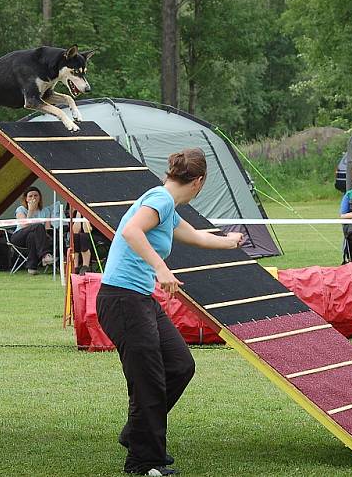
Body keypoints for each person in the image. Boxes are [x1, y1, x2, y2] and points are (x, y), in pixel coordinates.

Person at [96, 148, 244, 476]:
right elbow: (131, 231)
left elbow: (195, 237)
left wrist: (230, 242)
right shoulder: (160, 199)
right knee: (148, 380)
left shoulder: (168, 206)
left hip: (138, 300)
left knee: (179, 365)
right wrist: (162, 269)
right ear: (199, 182)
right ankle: (144, 461)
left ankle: (137, 433)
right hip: (121, 300)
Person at [13, 187, 53, 275]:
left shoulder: (45, 211)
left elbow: (48, 228)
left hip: (36, 239)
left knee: (32, 236)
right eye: (30, 196)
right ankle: (45, 255)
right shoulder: (21, 209)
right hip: (19, 236)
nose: (33, 198)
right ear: (26, 199)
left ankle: (31, 268)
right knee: (38, 225)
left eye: (36, 195)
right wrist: (30, 210)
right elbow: (24, 225)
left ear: (40, 197)